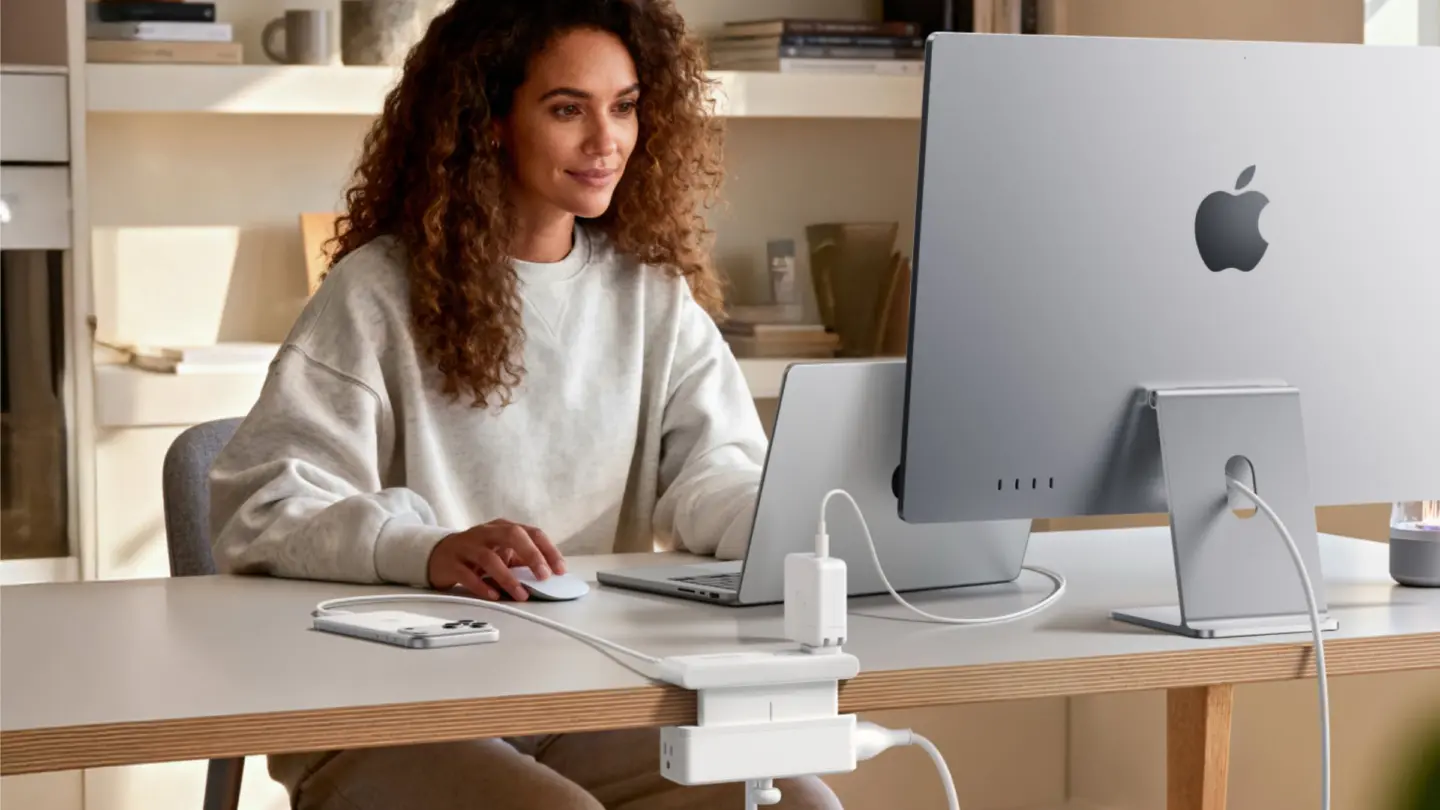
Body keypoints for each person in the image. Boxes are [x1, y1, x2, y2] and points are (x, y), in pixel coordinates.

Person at [207, 0, 843, 808]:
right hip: (389, 706)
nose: (605, 140)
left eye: (624, 107)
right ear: (492, 121)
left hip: (577, 691)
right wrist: (423, 548)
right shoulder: (378, 291)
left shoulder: (651, 297)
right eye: (567, 109)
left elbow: (714, 472)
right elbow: (261, 506)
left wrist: (797, 518)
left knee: (798, 802)